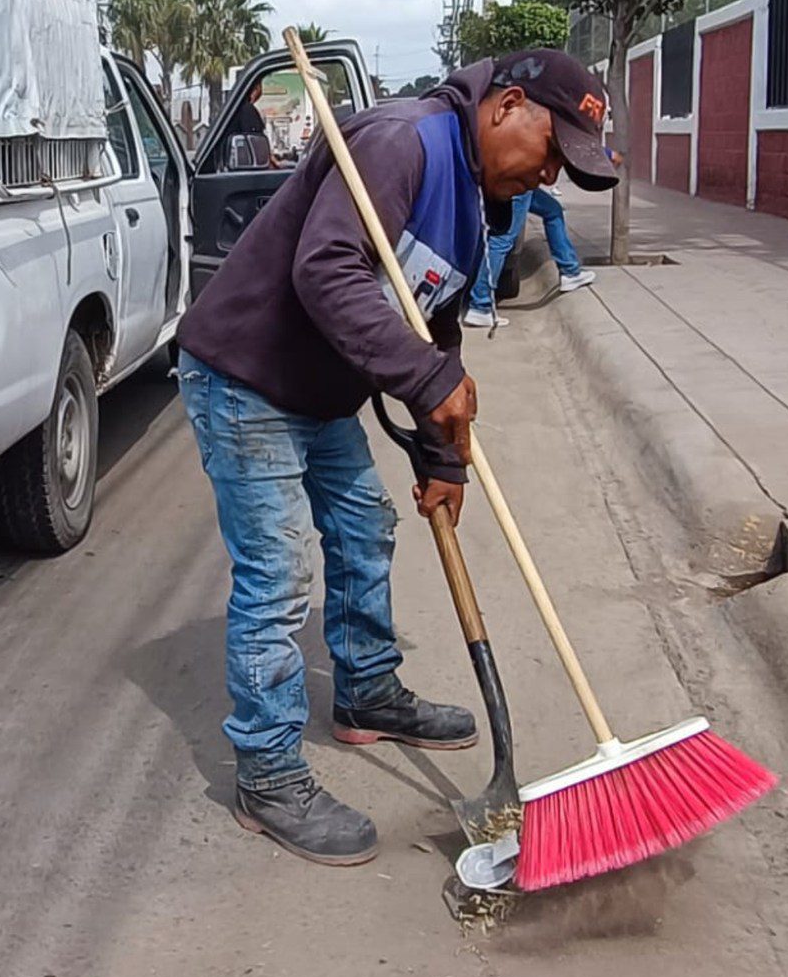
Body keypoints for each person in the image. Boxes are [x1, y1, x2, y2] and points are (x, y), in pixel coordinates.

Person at [174, 48, 620, 865]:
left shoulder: (476, 199)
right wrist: (427, 377)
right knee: (277, 578)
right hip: (246, 373)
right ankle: (267, 774)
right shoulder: (402, 142)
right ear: (508, 105)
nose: (549, 177)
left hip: (316, 389)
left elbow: (432, 321)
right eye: (551, 152)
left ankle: (367, 691)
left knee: (364, 527)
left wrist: (442, 456)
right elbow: (327, 271)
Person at [462, 183, 596, 329]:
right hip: (518, 182)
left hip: (521, 183)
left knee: (552, 210)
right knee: (503, 239)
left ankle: (569, 271)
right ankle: (480, 305)